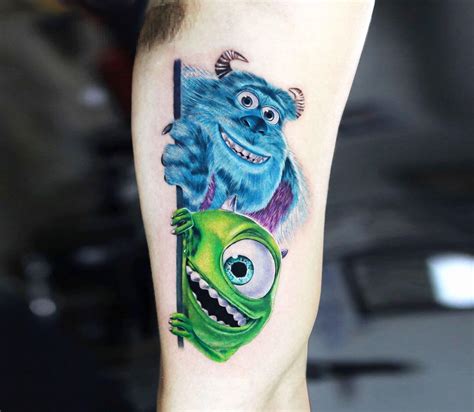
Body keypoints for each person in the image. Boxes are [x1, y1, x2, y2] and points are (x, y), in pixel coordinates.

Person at [132, 0, 374, 410]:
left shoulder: (273, 190)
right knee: (238, 386)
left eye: (269, 117)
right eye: (248, 103)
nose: (256, 123)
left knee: (273, 385)